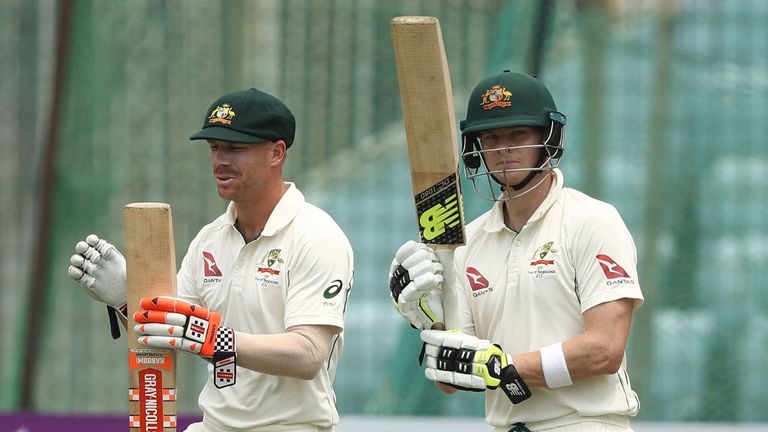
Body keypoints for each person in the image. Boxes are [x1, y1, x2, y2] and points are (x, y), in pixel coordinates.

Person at [68, 88, 354, 432]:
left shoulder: (316, 235)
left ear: (277, 152)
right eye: (215, 147)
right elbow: (176, 334)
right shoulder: (210, 239)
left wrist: (212, 337)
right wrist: (126, 303)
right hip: (214, 425)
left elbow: (308, 354)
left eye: (236, 148)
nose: (221, 160)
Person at [388, 71, 643, 432]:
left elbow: (605, 349)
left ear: (548, 137)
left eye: (518, 134)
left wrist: (504, 367)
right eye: (491, 137)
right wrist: (429, 319)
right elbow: (449, 380)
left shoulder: (592, 220)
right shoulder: (467, 243)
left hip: (585, 423)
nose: (503, 149)